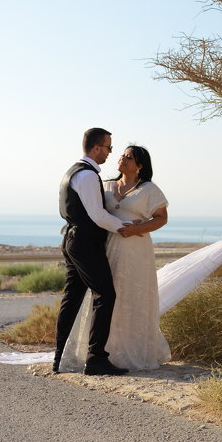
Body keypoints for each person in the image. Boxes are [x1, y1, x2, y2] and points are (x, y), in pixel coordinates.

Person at [58, 144, 171, 372]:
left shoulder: (149, 189)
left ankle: (131, 350)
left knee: (132, 296)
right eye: (122, 155)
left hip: (136, 250)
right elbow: (95, 212)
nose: (122, 159)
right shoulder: (106, 185)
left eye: (129, 157)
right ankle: (101, 351)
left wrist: (138, 228)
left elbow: (161, 218)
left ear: (140, 166)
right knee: (107, 297)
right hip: (108, 247)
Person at [54, 127, 131, 376]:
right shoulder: (87, 176)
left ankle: (61, 358)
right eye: (109, 147)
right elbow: (97, 215)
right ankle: (96, 358)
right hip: (85, 243)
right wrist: (124, 227)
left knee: (72, 297)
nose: (110, 153)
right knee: (105, 295)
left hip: (73, 240)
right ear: (97, 148)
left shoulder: (72, 171)